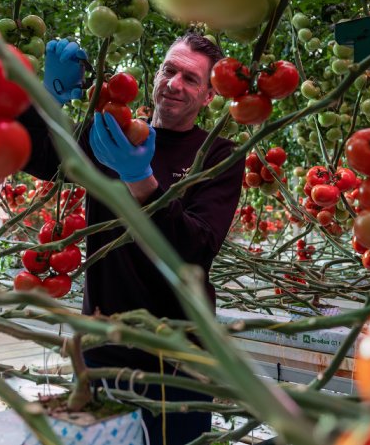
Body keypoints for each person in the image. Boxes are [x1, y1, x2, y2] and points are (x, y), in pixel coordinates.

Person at [19, 33, 245, 444]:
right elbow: (37, 154)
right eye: (169, 70)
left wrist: (141, 180)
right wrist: (46, 99)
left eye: (191, 79)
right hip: (103, 342)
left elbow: (197, 249)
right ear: (157, 74)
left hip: (178, 355)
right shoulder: (112, 133)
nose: (174, 84)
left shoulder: (218, 156)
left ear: (209, 95)